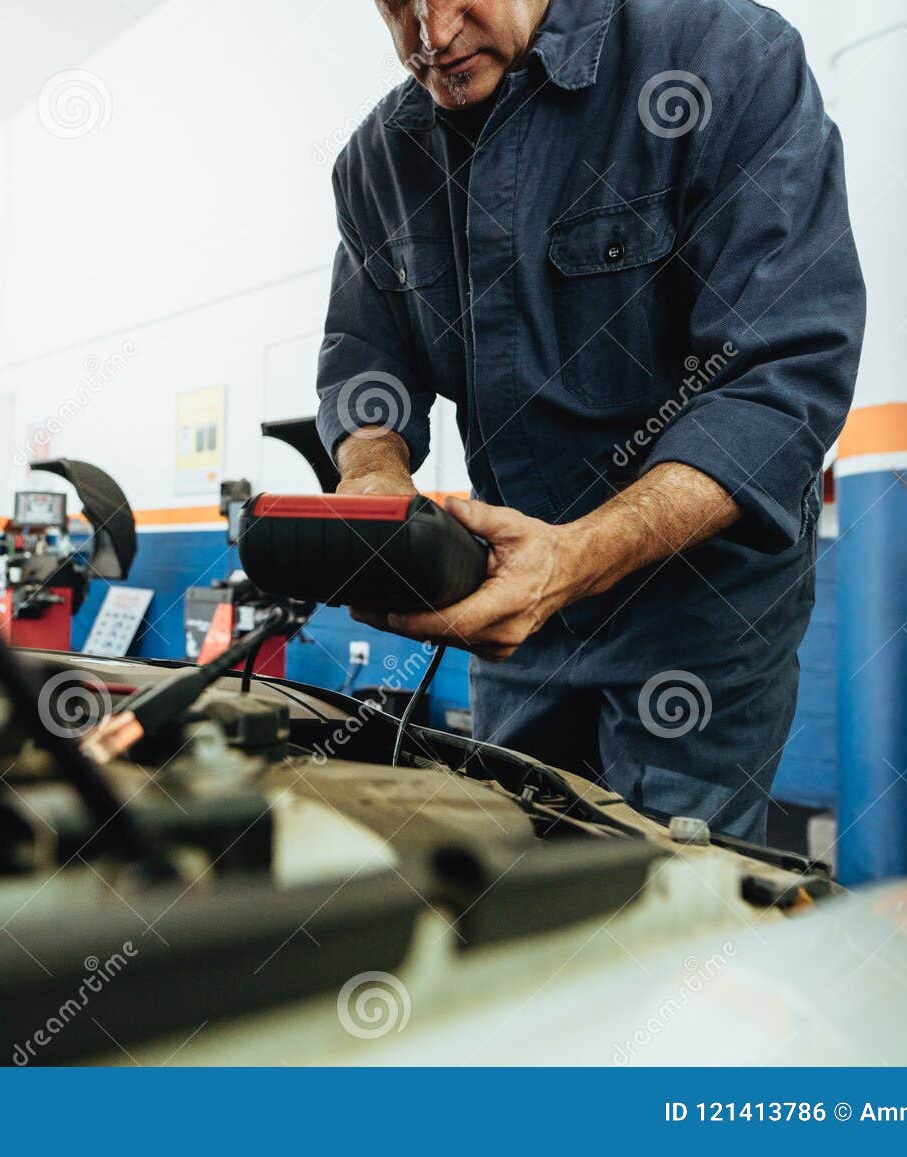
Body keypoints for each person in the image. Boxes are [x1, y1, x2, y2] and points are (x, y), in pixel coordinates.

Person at [318, 0, 865, 843]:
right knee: (515, 878)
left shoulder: (725, 60)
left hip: (698, 624)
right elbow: (365, 364)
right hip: (518, 614)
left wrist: (577, 555)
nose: (429, 36)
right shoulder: (379, 163)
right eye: (397, 3)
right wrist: (374, 477)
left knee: (664, 914)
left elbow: (781, 374)